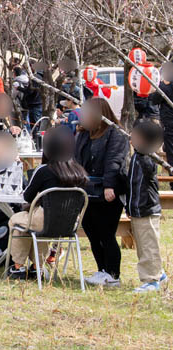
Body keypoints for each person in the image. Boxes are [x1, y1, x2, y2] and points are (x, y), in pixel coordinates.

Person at [5, 126, 88, 280]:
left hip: (44, 219)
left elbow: (27, 196)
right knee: (34, 227)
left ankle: (18, 266)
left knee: (17, 223)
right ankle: (37, 266)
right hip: (70, 223)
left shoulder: (43, 170)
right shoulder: (80, 172)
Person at [76, 97, 129, 287]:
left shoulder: (116, 133)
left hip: (108, 191)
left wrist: (109, 185)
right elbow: (76, 160)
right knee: (91, 232)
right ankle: (102, 269)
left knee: (106, 233)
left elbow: (114, 161)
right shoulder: (83, 134)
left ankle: (113, 274)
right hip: (86, 190)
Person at [125, 119, 167, 293]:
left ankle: (152, 279)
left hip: (146, 210)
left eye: (135, 135)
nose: (131, 138)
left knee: (149, 246)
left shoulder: (146, 160)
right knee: (143, 246)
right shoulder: (137, 156)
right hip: (137, 210)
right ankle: (159, 273)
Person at [147, 61, 173, 189]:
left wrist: (161, 85)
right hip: (168, 123)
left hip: (170, 125)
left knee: (171, 153)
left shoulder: (165, 85)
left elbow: (154, 99)